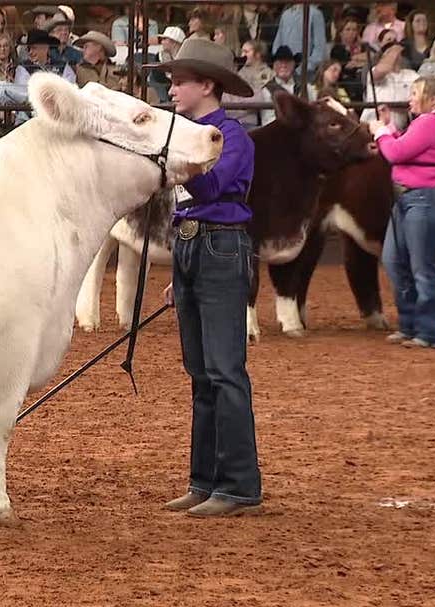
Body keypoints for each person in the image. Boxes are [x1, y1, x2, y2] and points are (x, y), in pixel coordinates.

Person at [148, 38, 263, 518]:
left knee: (223, 369)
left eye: (180, 81)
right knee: (202, 372)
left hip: (219, 243)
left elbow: (212, 186)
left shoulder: (231, 136)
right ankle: (206, 480)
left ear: (207, 85)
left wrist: (177, 160)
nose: (172, 89)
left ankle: (237, 485)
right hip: (197, 245)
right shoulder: (197, 133)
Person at [368, 75, 435, 349]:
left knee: (421, 266)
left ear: (432, 100)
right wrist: (388, 130)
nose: (410, 98)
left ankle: (431, 331)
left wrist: (381, 132)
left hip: (423, 198)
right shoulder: (428, 123)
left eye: (415, 93)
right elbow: (404, 146)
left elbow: (397, 152)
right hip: (411, 198)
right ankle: (411, 324)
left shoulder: (431, 121)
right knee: (394, 260)